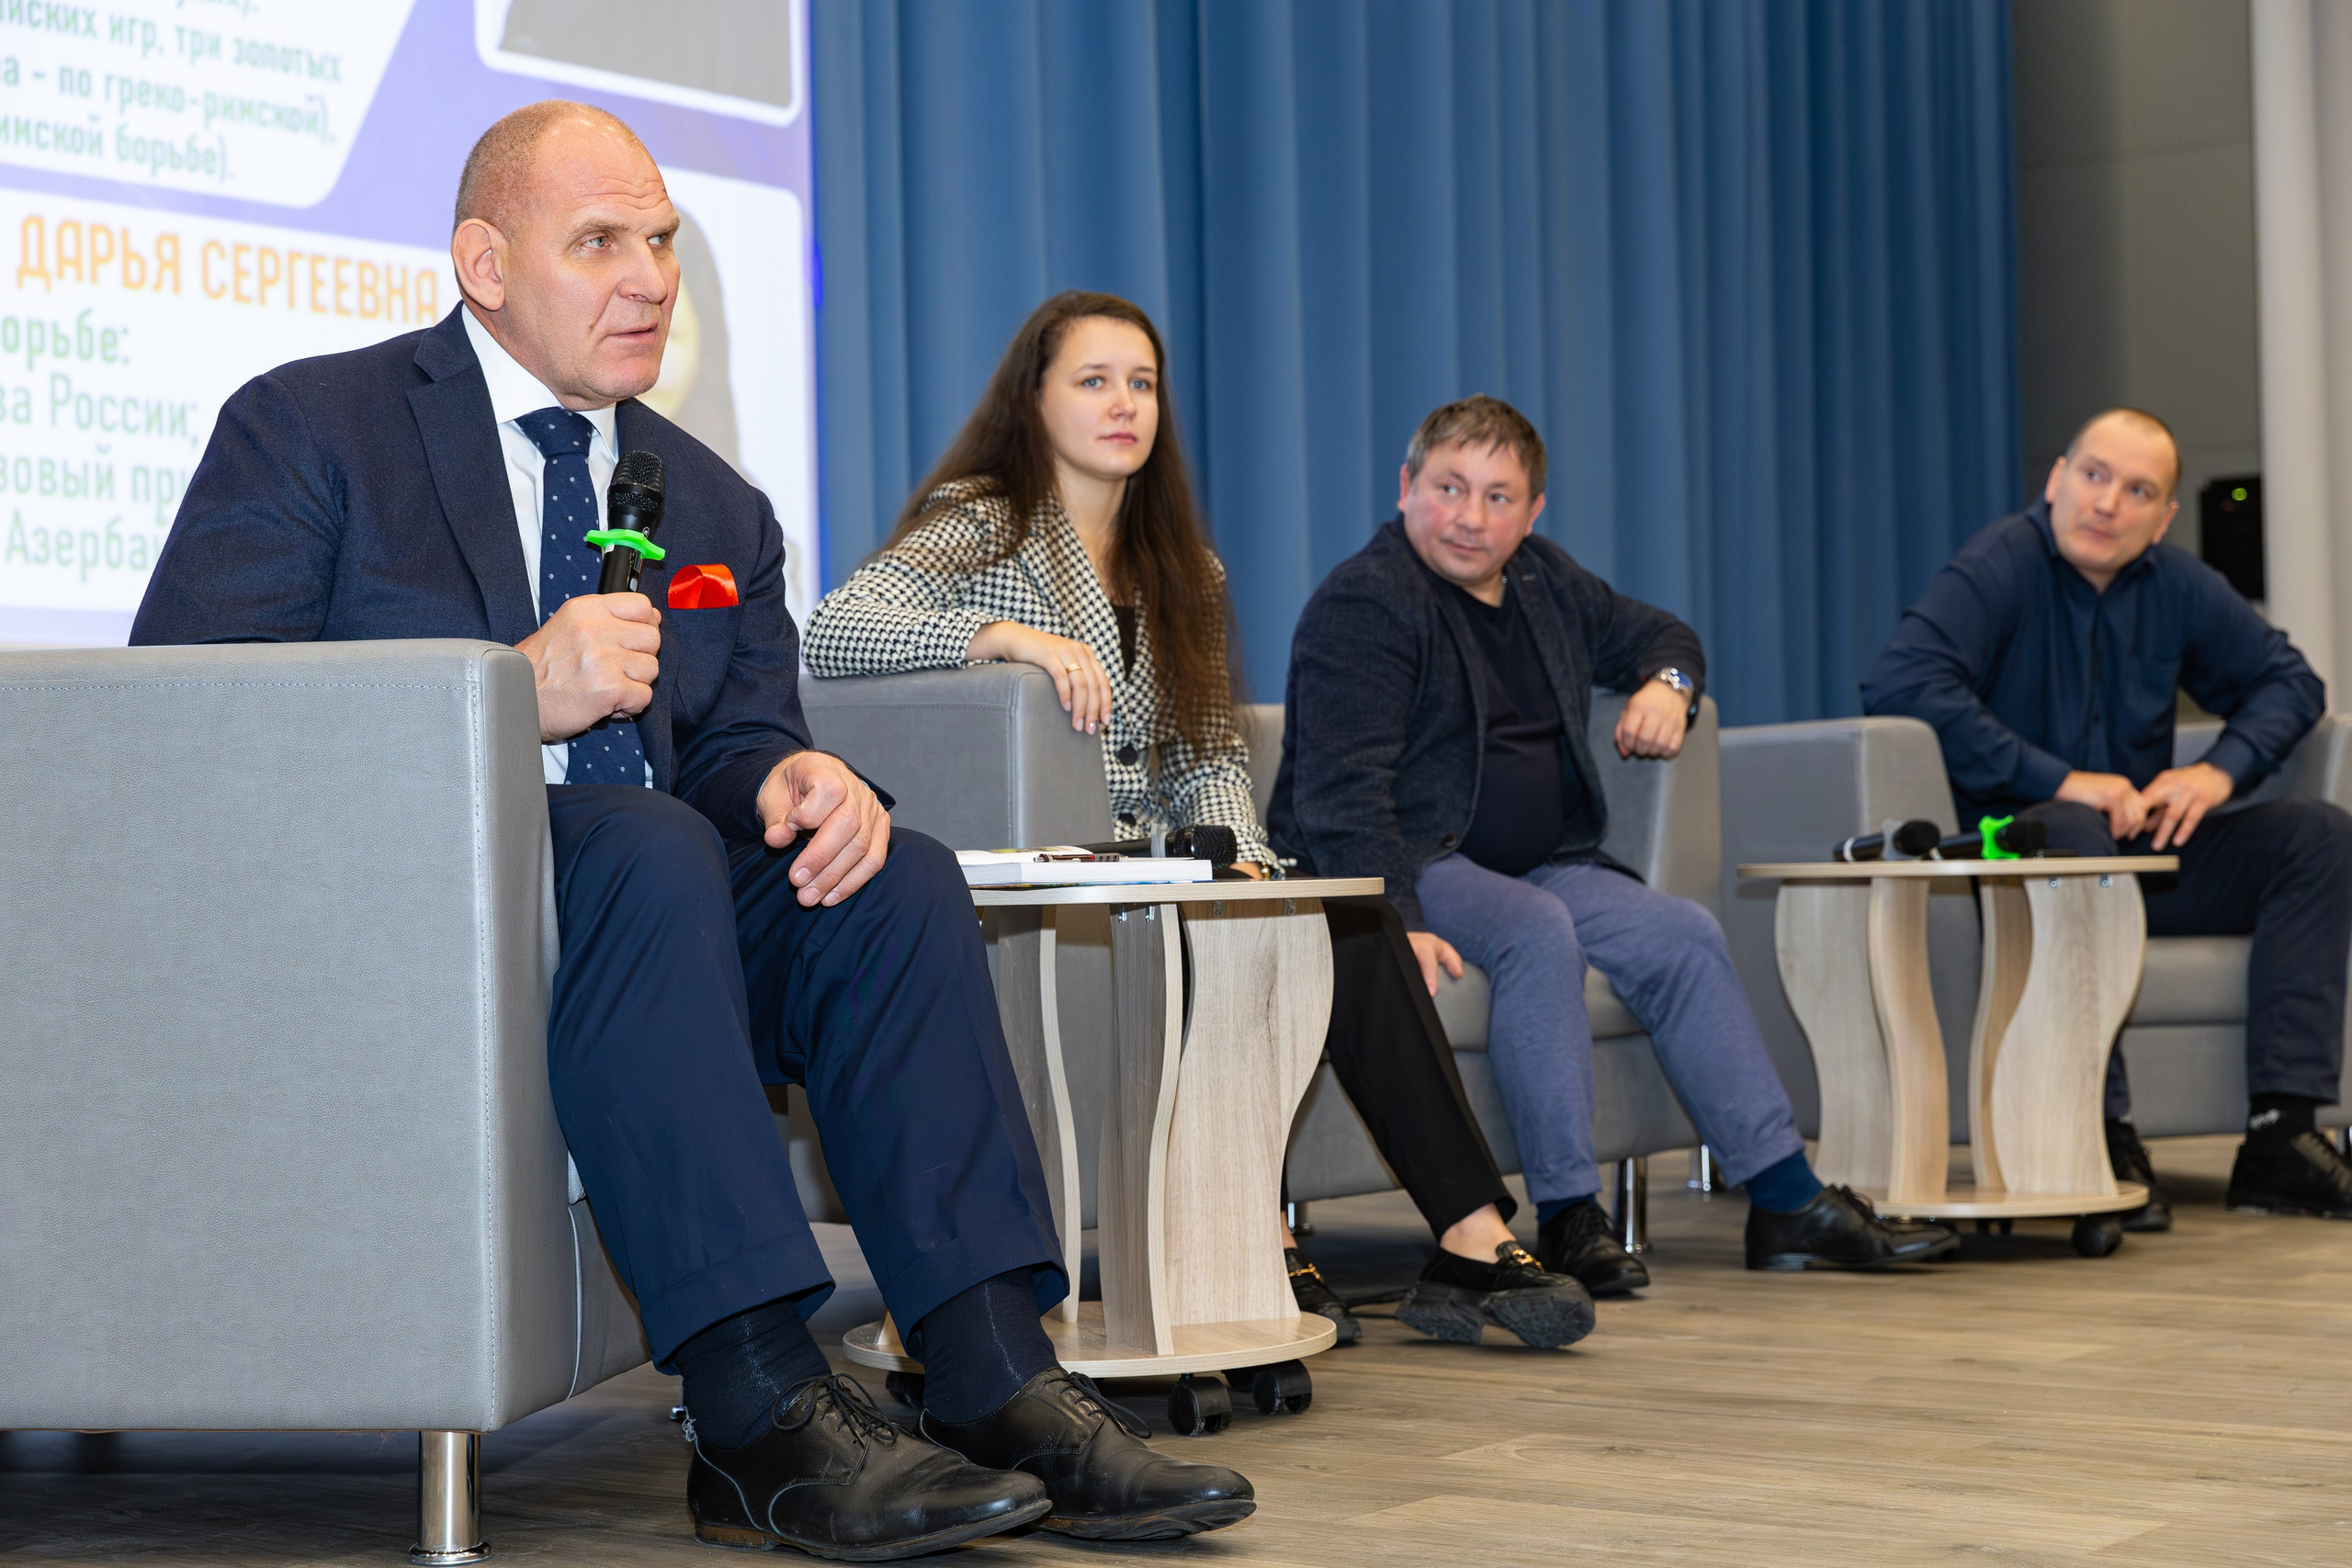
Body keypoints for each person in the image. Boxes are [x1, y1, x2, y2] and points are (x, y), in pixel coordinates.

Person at [129, 103, 1252, 1559]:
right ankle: (755, 1400)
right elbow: (188, 715)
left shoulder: (713, 497)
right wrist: (506, 693)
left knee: (891, 875)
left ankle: (992, 1363)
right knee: (645, 844)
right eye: (602, 241)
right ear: (483, 260)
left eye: (662, 240)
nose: (653, 274)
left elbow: (728, 739)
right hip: (397, 915)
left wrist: (795, 780)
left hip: (638, 913)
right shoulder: (314, 425)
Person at [805, 293, 1603, 1350]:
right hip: (1052, 882)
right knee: (1278, 934)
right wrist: (1003, 637)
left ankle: (1465, 1238)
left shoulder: (1188, 568)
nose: (1123, 404)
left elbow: (1205, 756)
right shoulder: (985, 518)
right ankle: (1262, 1241)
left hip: (1164, 867)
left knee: (1343, 921)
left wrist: (1248, 866)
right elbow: (836, 629)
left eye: (1140, 383)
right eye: (1093, 381)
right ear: (1034, 399)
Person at [1271, 394, 1961, 1299]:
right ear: (1405, 488)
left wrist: (1670, 686)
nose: (1470, 518)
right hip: (1414, 857)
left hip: (1546, 857)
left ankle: (1785, 1199)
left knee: (1680, 932)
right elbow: (1340, 797)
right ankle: (1568, 1213)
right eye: (1447, 488)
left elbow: (1663, 636)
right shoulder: (1367, 601)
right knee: (1536, 930)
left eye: (1498, 497)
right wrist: (1393, 919)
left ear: (1533, 513)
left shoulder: (1547, 583)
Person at [1862, 407, 2352, 1229]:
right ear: (2056, 480)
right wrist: (2064, 779)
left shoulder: (2177, 585)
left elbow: (2291, 683)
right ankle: (2102, 1127)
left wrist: (2213, 773)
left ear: (2162, 519)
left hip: (2138, 862)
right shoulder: (2000, 565)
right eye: (2093, 476)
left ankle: (2281, 1134)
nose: (2107, 503)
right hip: (2023, 870)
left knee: (2319, 836)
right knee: (2075, 829)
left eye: (2137, 491)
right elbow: (1902, 684)